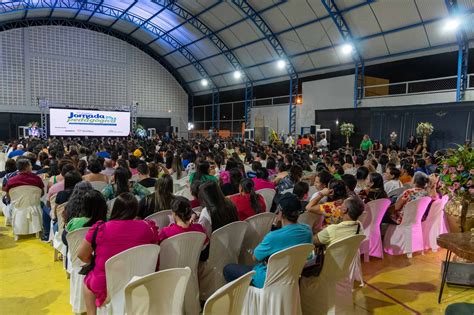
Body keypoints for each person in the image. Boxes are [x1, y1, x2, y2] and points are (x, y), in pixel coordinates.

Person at [78, 193, 159, 313]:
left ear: (115, 208)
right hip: (139, 280)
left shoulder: (101, 229)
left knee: (88, 283)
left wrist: (95, 262)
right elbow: (154, 249)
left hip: (107, 285)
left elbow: (81, 254)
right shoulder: (147, 227)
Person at [223, 193, 312, 288]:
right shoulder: (307, 230)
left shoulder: (273, 237)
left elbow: (255, 257)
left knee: (228, 269)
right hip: (291, 278)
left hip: (267, 280)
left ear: (281, 213)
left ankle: (248, 298)